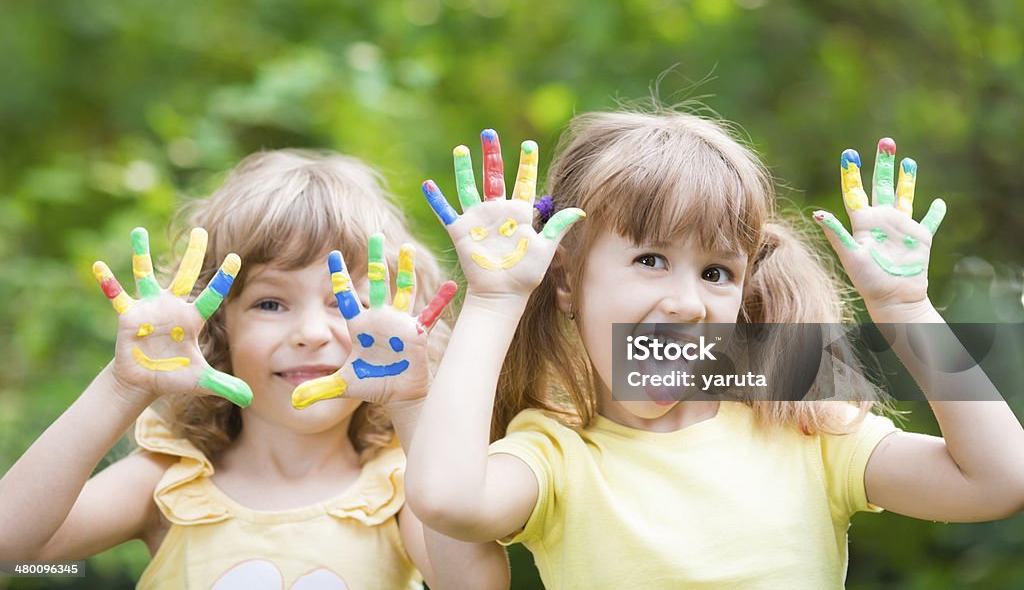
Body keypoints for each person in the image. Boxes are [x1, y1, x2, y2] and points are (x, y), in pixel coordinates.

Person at [405, 114, 1024, 588]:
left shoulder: (806, 433)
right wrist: (493, 301)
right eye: (651, 260)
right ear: (567, 279)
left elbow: (999, 480)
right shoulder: (558, 456)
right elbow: (445, 499)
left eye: (717, 273)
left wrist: (907, 310)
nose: (687, 303)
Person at [0, 149, 507, 589]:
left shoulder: (402, 487)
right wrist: (121, 385)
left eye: (342, 303)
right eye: (270, 304)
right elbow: (10, 546)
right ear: (218, 329)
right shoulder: (169, 485)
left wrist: (409, 403)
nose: (310, 331)